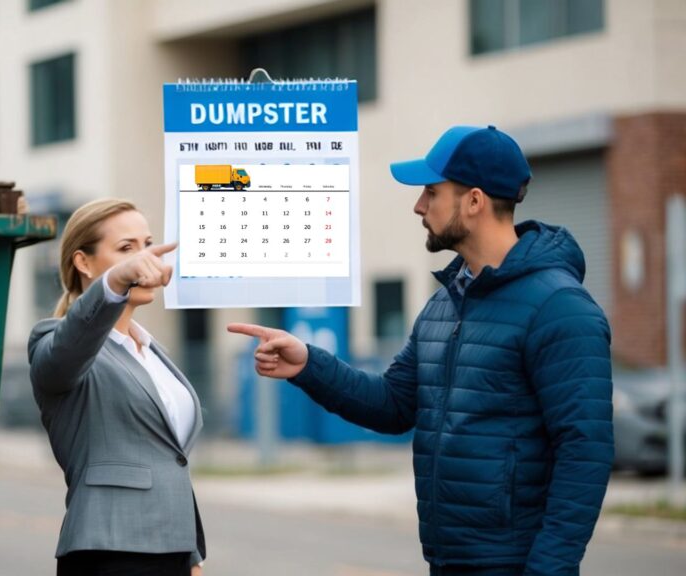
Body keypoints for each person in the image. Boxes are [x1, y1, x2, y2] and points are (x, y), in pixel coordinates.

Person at [229, 126, 613, 575]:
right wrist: (308, 364)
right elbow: (393, 404)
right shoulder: (444, 303)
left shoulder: (559, 308)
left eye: (431, 192)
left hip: (514, 562)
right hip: (447, 560)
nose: (419, 206)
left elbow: (585, 450)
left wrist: (549, 570)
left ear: (474, 201)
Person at [28, 198, 206, 576]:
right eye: (126, 249)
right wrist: (116, 281)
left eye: (147, 245)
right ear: (84, 262)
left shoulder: (153, 353)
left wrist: (191, 555)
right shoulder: (55, 339)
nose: (143, 258)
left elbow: (169, 457)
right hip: (109, 550)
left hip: (172, 549)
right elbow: (69, 350)